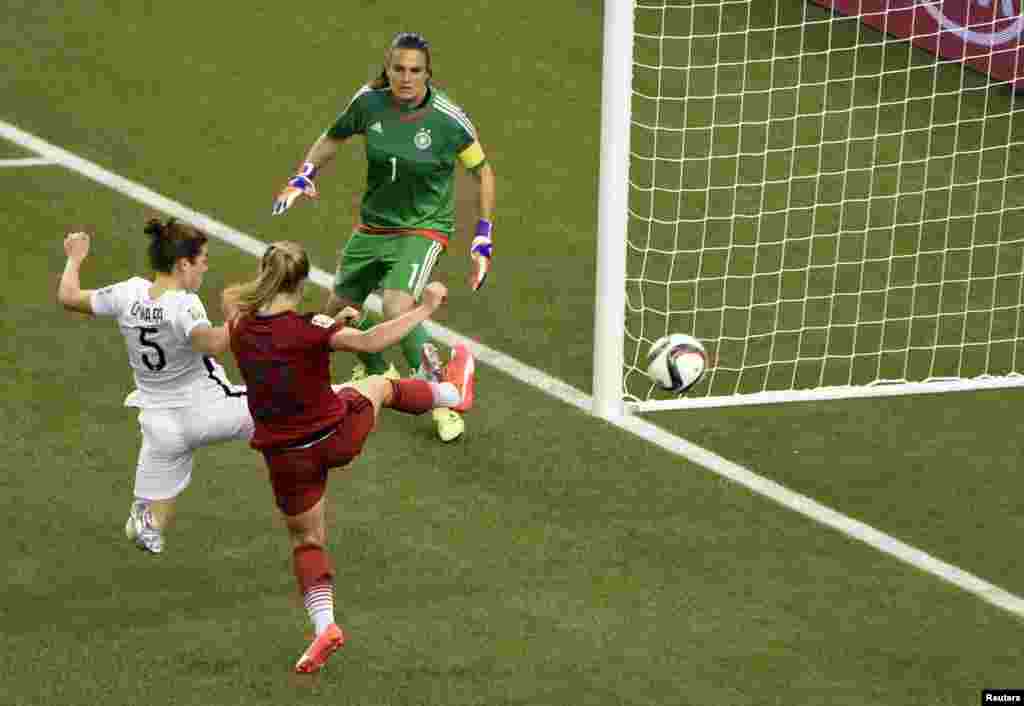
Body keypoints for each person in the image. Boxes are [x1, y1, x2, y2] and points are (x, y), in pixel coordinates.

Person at [223, 241, 474, 674]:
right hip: (336, 437)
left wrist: (326, 324)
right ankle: (453, 393)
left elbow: (272, 332)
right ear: (302, 284)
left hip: (286, 458)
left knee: (308, 541)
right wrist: (425, 308)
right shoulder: (311, 329)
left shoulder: (239, 328)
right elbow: (371, 339)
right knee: (380, 385)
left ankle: (324, 626)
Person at [271, 30, 494, 443]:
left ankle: (444, 396)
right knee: (336, 315)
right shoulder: (368, 104)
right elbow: (333, 137)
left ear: (428, 74)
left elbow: (481, 171)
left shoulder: (447, 119)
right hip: (373, 226)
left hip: (422, 227)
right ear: (387, 68)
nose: (406, 78)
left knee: (396, 305)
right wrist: (305, 173)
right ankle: (377, 368)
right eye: (398, 69)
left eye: (415, 71)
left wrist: (483, 234)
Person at [56, 219, 254, 554]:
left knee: (150, 525)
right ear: (182, 263)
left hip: (161, 427)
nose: (205, 267)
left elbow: (69, 296)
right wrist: (238, 316)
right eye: (202, 260)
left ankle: (146, 522)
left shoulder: (127, 293)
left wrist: (75, 258)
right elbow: (212, 344)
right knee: (292, 402)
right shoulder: (183, 303)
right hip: (209, 411)